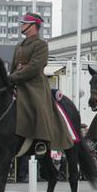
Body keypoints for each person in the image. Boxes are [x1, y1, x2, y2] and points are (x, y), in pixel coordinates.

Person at [8, 12, 74, 156]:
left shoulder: (41, 45)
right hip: (17, 82)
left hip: (34, 84)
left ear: (33, 26)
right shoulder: (20, 44)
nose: (22, 25)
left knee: (38, 106)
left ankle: (41, 141)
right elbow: (14, 64)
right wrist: (9, 78)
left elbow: (35, 67)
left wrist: (14, 77)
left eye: (25, 23)